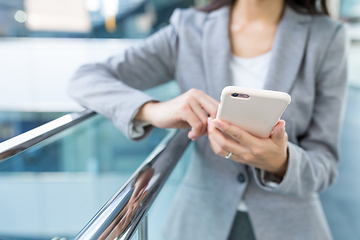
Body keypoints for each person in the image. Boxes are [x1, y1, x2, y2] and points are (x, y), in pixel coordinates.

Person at [68, 0, 348, 239]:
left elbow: (325, 164)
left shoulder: (326, 37)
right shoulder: (188, 30)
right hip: (200, 221)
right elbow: (84, 79)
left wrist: (280, 162)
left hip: (291, 225)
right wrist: (153, 110)